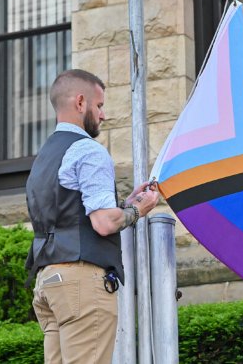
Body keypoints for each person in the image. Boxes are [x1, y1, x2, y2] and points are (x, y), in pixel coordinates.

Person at [25, 69, 159, 363]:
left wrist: (123, 203)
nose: (103, 115)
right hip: (81, 283)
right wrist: (138, 210)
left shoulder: (44, 158)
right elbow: (102, 223)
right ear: (81, 102)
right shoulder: (88, 151)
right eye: (99, 106)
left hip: (49, 282)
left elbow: (69, 214)